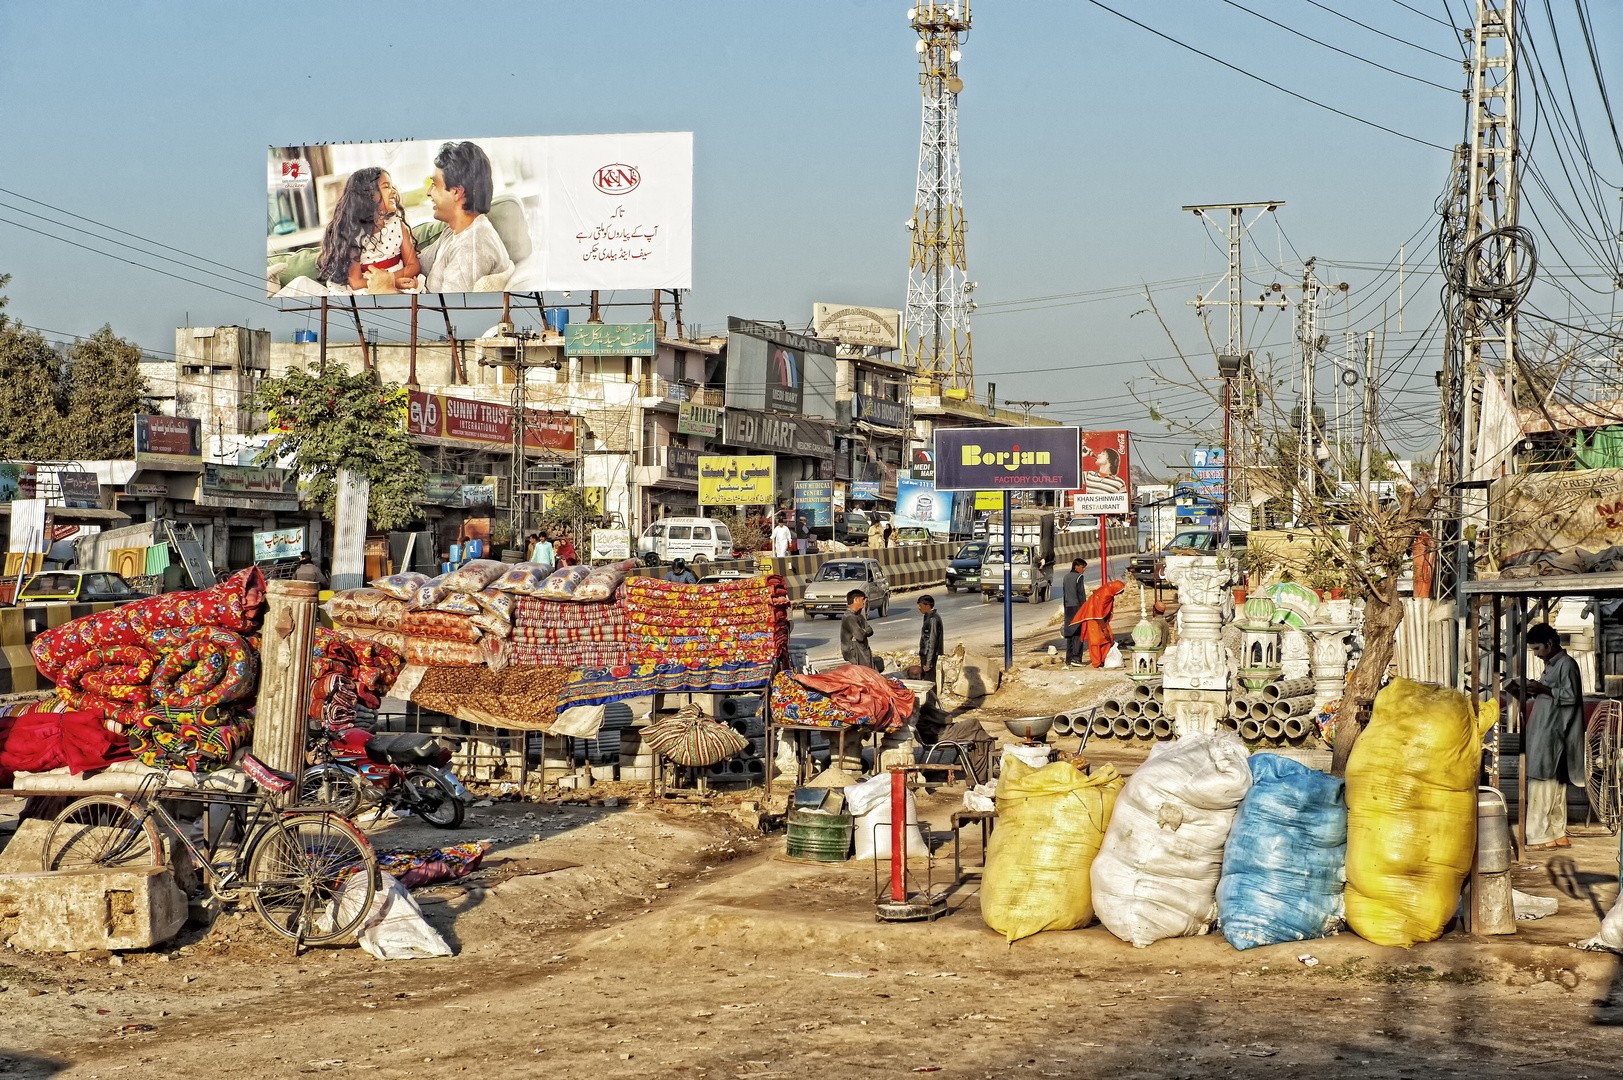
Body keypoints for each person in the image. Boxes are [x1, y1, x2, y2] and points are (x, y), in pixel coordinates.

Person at [1518, 623, 1584, 850]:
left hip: (1553, 733)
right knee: (1554, 786)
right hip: (1548, 731)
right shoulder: (1552, 665)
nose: (1536, 655)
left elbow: (1571, 696)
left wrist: (1542, 689)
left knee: (1542, 782)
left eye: (1537, 649)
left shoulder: (1566, 665)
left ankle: (1539, 836)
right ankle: (1556, 832)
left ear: (1549, 643)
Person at [418, 141, 512, 294]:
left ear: (457, 192)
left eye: (434, 184)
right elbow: (419, 262)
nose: (429, 192)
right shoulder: (455, 231)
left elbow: (450, 311)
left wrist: (387, 290)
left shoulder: (472, 248)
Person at [315, 167, 420, 294]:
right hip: (368, 289)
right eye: (386, 187)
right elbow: (356, 283)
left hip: (399, 285)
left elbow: (414, 266)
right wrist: (390, 283)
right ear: (368, 195)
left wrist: (391, 281)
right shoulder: (354, 235)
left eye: (392, 186)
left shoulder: (398, 225)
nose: (393, 192)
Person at [1070, 578, 1126, 667]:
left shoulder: (1109, 592)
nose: (1118, 594)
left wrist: (1106, 624)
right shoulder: (1104, 595)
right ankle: (1096, 663)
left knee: (1107, 639)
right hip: (1092, 617)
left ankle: (1104, 659)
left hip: (1101, 619)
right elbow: (1098, 613)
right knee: (1095, 641)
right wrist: (1104, 628)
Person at [840, 589, 879, 670]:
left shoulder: (858, 616)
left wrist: (864, 631)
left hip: (863, 651)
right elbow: (860, 636)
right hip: (855, 653)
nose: (864, 602)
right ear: (856, 600)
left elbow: (870, 630)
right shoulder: (850, 617)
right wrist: (864, 631)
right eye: (862, 600)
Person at [1061, 557, 1089, 668]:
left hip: (1068, 607)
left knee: (1070, 634)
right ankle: (1076, 659)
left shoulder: (1066, 577)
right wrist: (1085, 609)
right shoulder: (1079, 577)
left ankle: (1068, 659)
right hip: (1077, 608)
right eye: (1082, 567)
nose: (1083, 570)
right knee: (1078, 634)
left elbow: (1065, 594)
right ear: (1076, 566)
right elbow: (1081, 594)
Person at [917, 595, 944, 684]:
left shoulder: (932, 619)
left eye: (920, 605)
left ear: (927, 606)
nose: (919, 608)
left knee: (929, 681)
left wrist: (928, 663)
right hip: (926, 654)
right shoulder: (928, 616)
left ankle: (932, 698)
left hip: (929, 655)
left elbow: (932, 641)